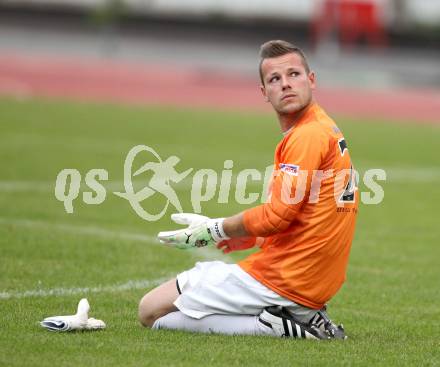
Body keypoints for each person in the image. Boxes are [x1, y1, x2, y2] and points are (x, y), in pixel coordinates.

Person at [138, 40, 358, 339]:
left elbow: (278, 216)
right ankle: (296, 316)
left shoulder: (307, 136)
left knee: (150, 310)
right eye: (274, 79)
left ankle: (277, 326)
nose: (285, 84)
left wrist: (215, 229)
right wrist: (252, 235)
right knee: (178, 307)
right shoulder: (324, 127)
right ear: (264, 92)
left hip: (286, 277)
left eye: (294, 74)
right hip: (310, 281)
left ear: (312, 79)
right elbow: (306, 211)